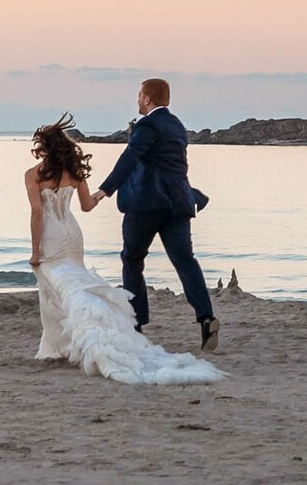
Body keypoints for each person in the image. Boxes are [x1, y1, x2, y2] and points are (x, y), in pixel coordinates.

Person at [24, 114, 220, 384]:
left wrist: (35, 252)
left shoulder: (33, 175)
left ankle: (97, 335)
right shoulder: (75, 172)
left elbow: (37, 214)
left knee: (61, 288)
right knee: (74, 284)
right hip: (74, 233)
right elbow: (87, 206)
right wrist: (100, 194)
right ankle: (65, 344)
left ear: (43, 147)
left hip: (53, 235)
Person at [97, 77, 221, 353]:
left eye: (139, 94)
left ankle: (136, 322)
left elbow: (131, 157)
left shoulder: (147, 125)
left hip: (146, 204)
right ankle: (206, 317)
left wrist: (104, 190)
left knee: (132, 259)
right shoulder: (177, 125)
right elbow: (173, 168)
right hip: (178, 204)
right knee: (185, 261)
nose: (137, 99)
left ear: (146, 98)